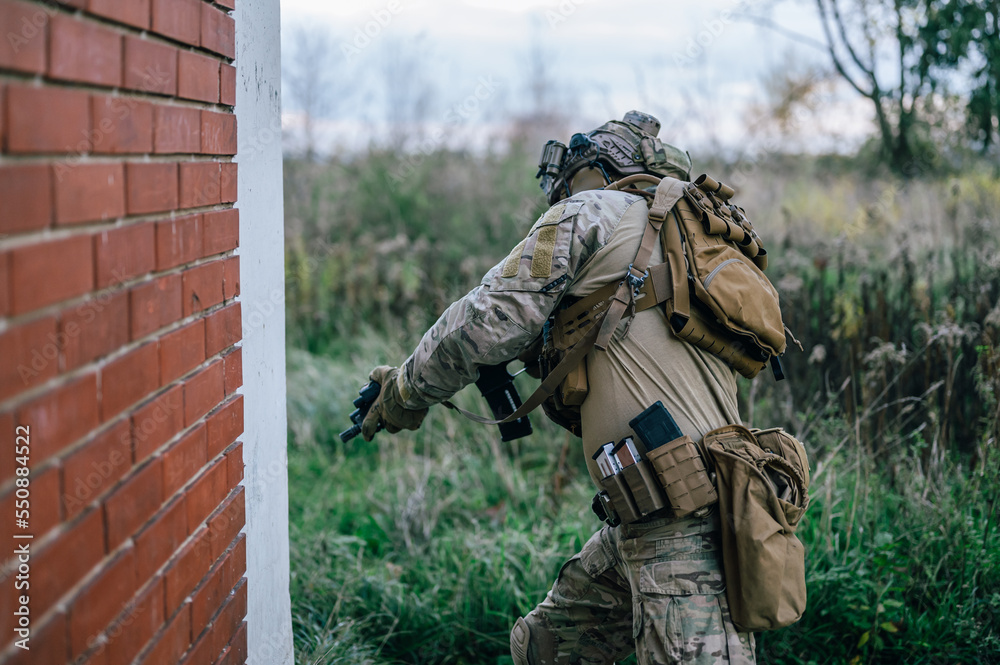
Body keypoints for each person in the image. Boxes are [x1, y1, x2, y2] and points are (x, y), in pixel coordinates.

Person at [360, 111, 757, 664]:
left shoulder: (595, 210)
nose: (559, 196)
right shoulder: (689, 238)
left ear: (594, 168)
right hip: (658, 510)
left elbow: (485, 320)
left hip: (683, 533)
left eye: (567, 182)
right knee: (548, 649)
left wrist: (404, 391)